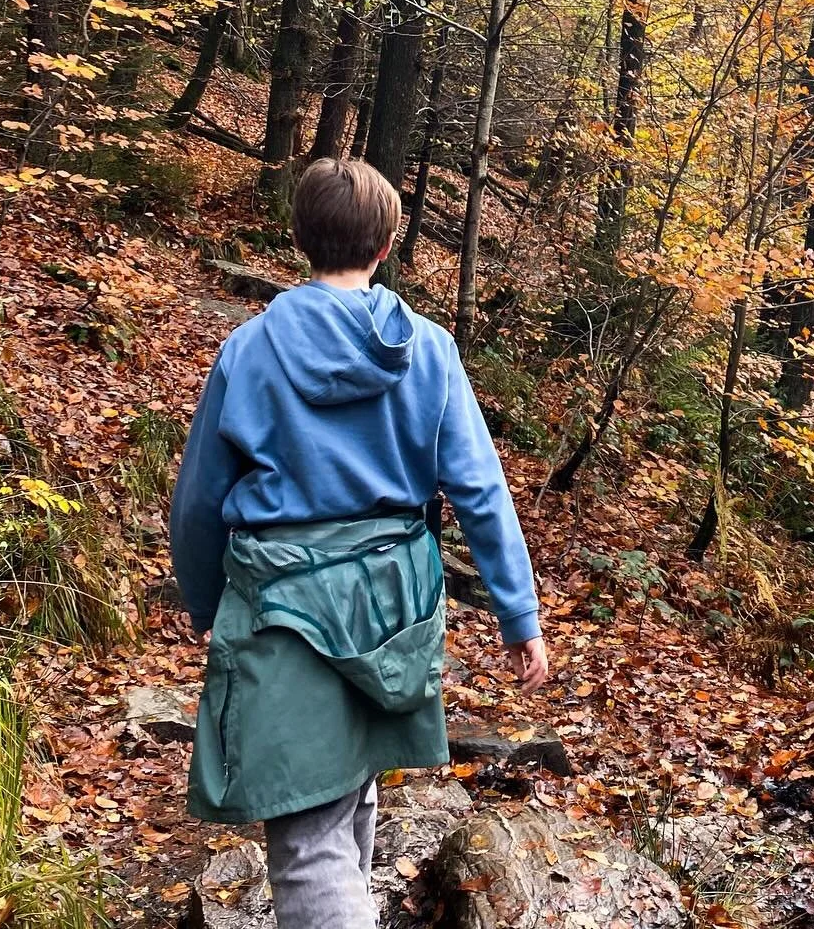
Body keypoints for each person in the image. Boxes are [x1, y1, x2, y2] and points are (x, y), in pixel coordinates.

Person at [170, 157, 547, 928]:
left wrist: (207, 601)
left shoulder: (249, 349)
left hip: (282, 608)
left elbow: (200, 500)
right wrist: (520, 616)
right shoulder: (430, 350)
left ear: (300, 236)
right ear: (385, 245)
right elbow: (479, 488)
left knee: (309, 830)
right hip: (393, 604)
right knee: (348, 780)